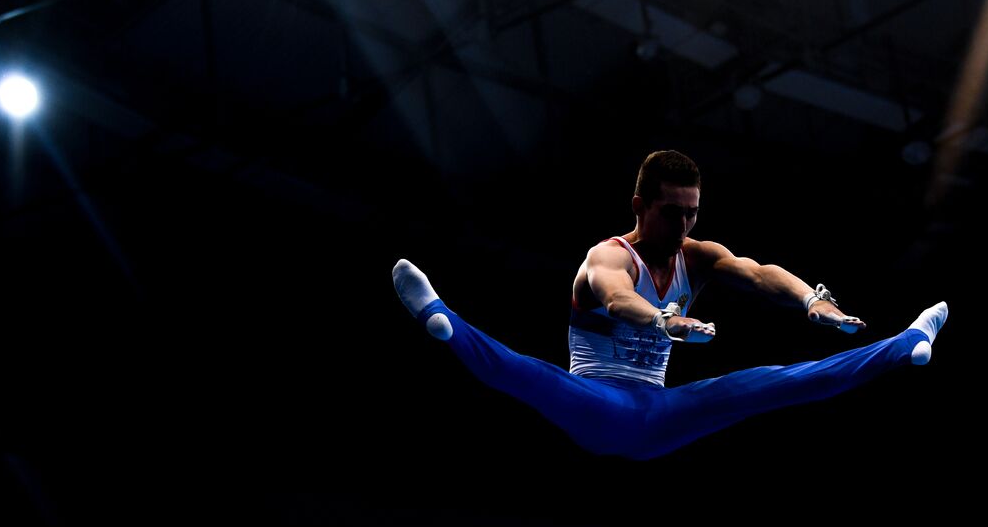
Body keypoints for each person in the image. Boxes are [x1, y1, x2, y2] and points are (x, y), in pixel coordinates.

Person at [392, 150, 946, 460]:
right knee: (525, 373)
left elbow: (756, 273)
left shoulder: (696, 255)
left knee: (775, 382)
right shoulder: (607, 257)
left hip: (660, 415)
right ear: (639, 205)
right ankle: (442, 319)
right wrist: (663, 319)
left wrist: (810, 299)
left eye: (693, 213)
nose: (684, 225)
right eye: (672, 213)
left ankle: (904, 344)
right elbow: (615, 298)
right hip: (596, 404)